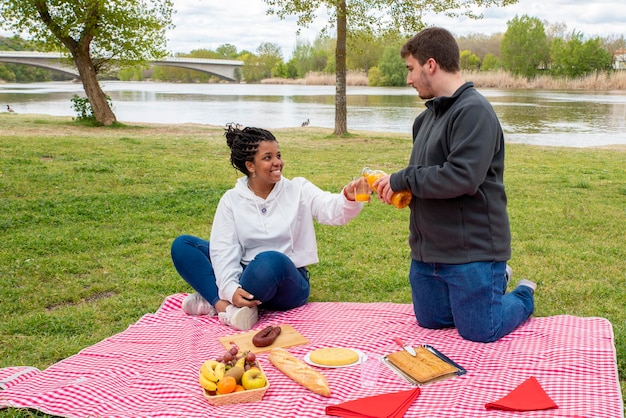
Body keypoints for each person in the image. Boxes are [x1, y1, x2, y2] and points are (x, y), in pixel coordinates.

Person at [373, 27, 536, 343]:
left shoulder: (474, 111)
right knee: (431, 321)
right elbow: (426, 179)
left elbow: (463, 177)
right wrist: (399, 190)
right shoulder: (425, 120)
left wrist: (403, 177)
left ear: (430, 65)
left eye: (411, 69)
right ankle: (491, 285)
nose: (408, 79)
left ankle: (522, 294)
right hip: (427, 253)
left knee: (479, 330)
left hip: (472, 252)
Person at [171, 124, 366, 331]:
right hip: (246, 273)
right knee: (183, 245)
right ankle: (224, 306)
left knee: (271, 260)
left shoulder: (297, 188)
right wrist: (229, 288)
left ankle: (218, 299)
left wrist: (348, 198)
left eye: (278, 155)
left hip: (287, 281)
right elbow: (223, 249)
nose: (278, 163)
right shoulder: (231, 200)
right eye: (268, 157)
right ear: (250, 166)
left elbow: (331, 208)